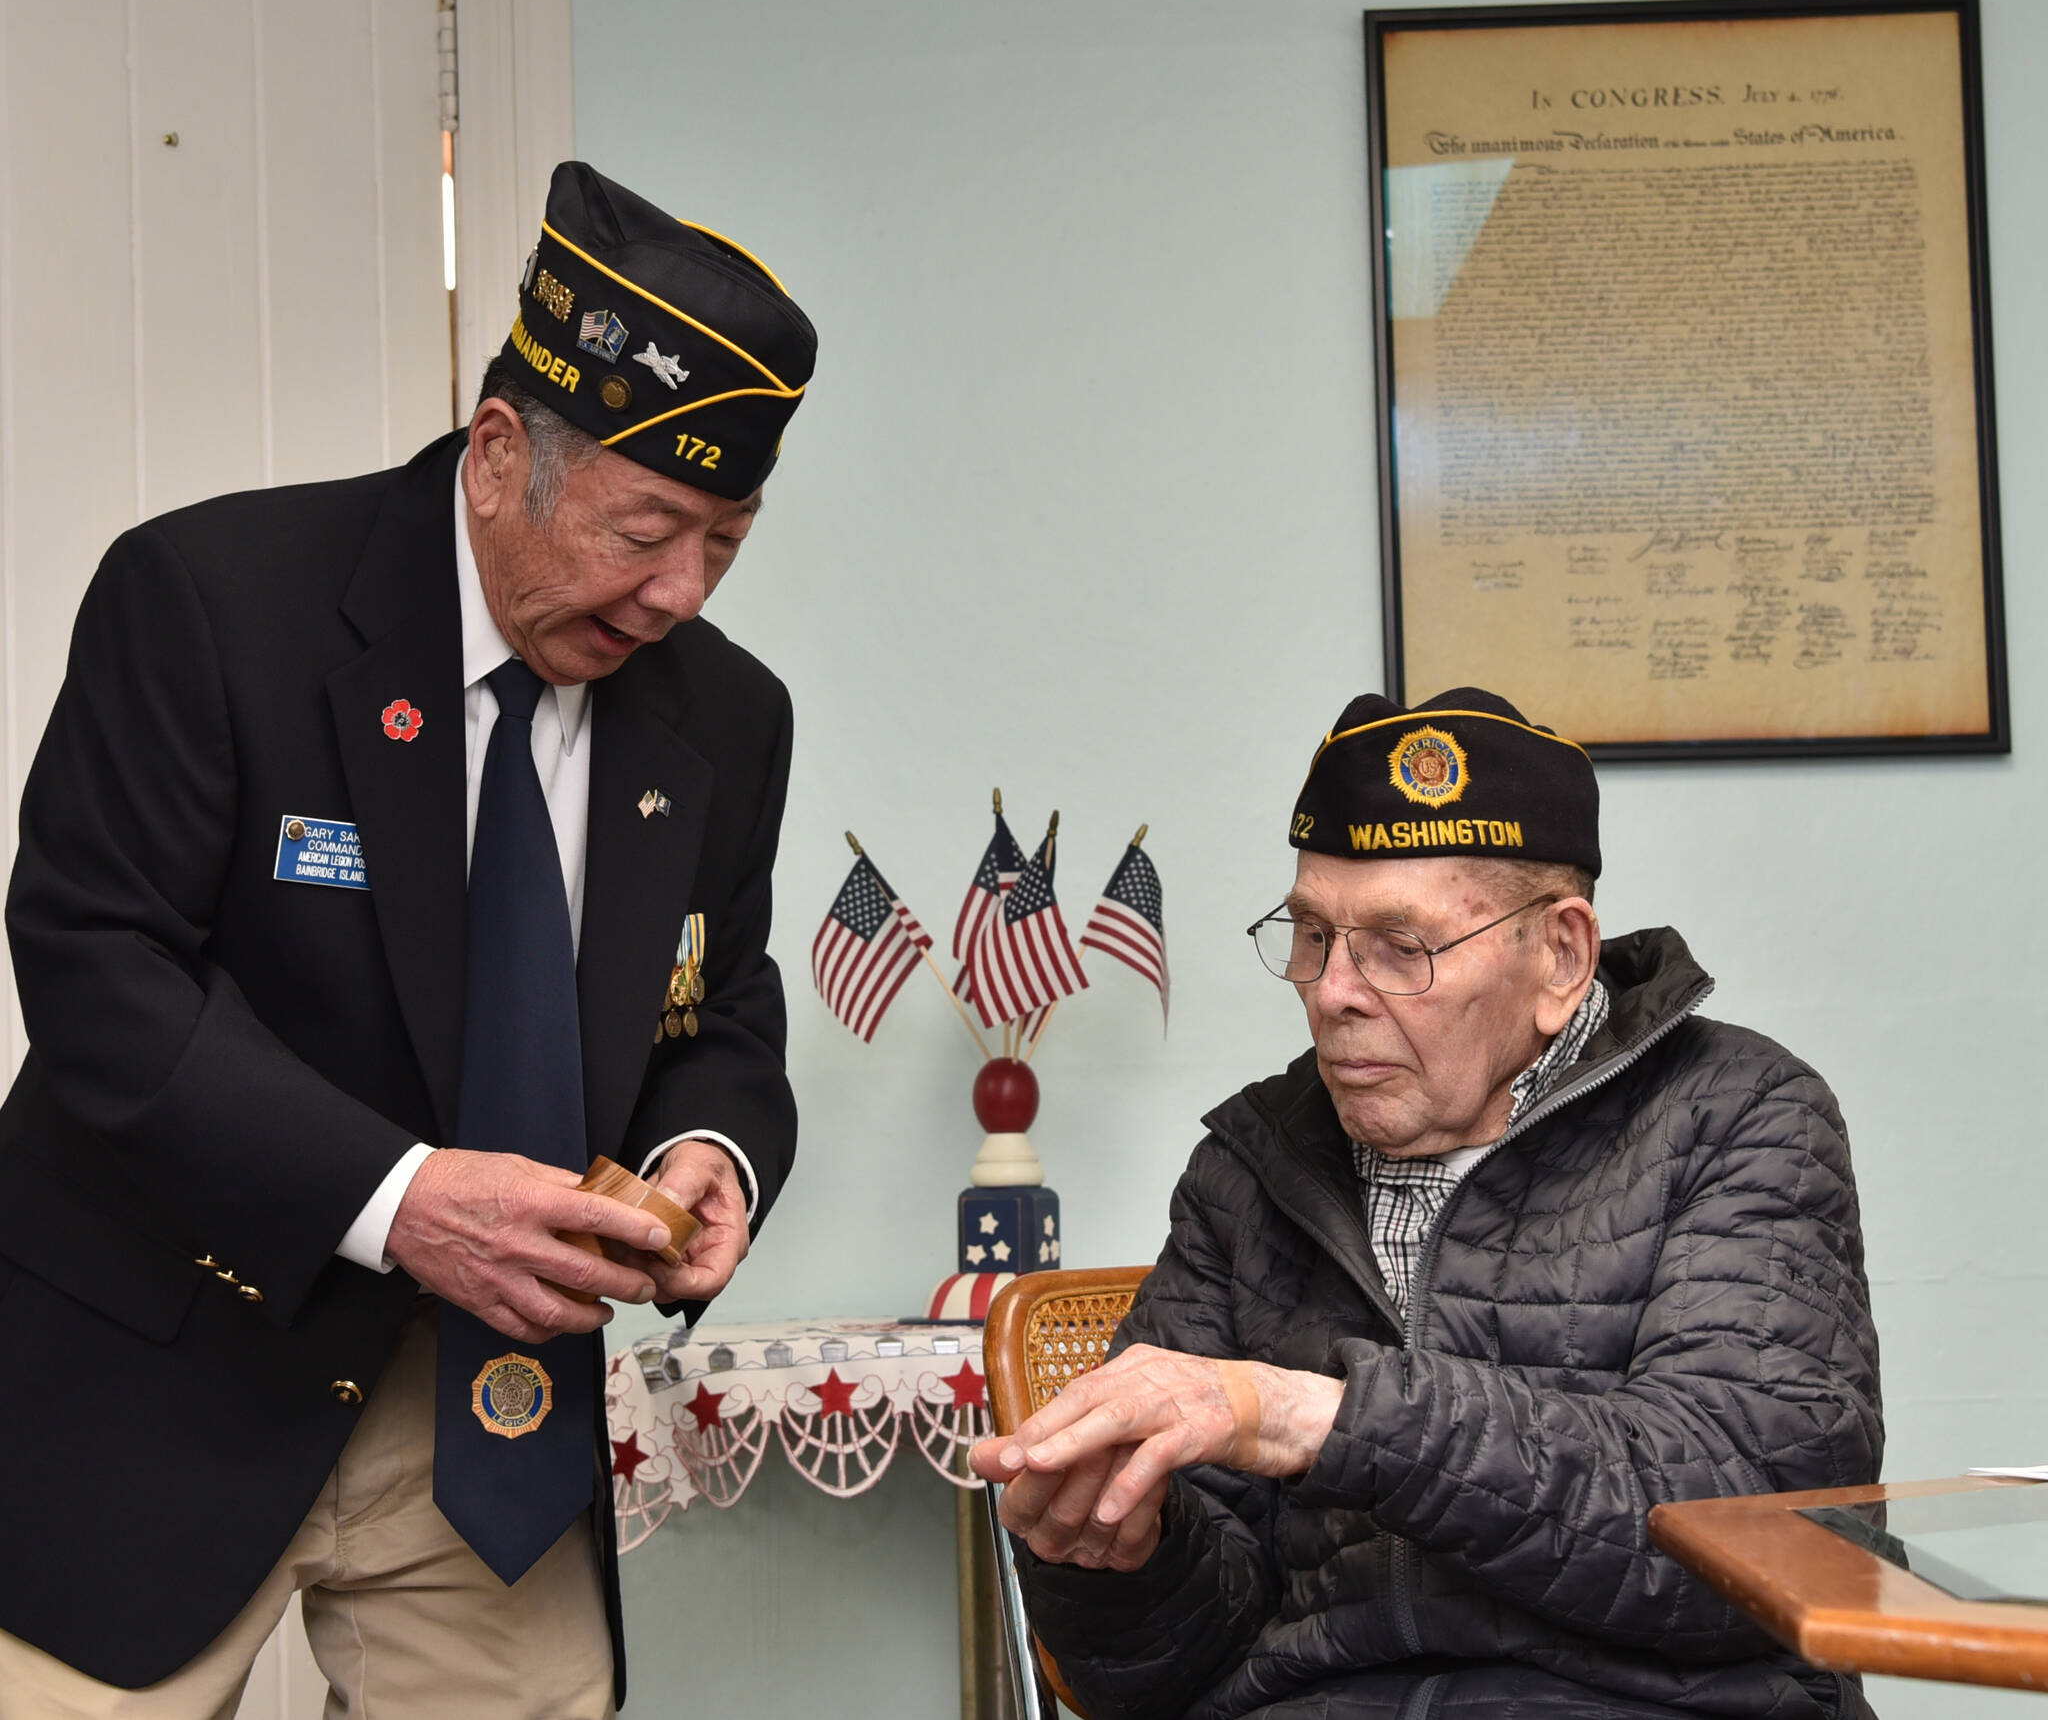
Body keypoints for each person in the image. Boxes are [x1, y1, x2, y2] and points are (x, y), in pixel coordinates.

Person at [0, 161, 816, 1718]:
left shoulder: (728, 716)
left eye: (729, 538)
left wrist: (714, 1146)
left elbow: (725, 1005)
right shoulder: (210, 601)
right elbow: (101, 974)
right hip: (153, 1378)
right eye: (649, 527)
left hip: (483, 1430)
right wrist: (404, 1200)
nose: (680, 592)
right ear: (503, 451)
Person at [973, 689, 1883, 1719]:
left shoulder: (1736, 1114)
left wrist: (1317, 1416)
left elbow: (1760, 1544)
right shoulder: (1247, 1168)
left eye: (1399, 948)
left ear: (1560, 956)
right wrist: (1121, 1555)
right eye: (1311, 934)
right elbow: (1156, 1676)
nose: (1331, 990)